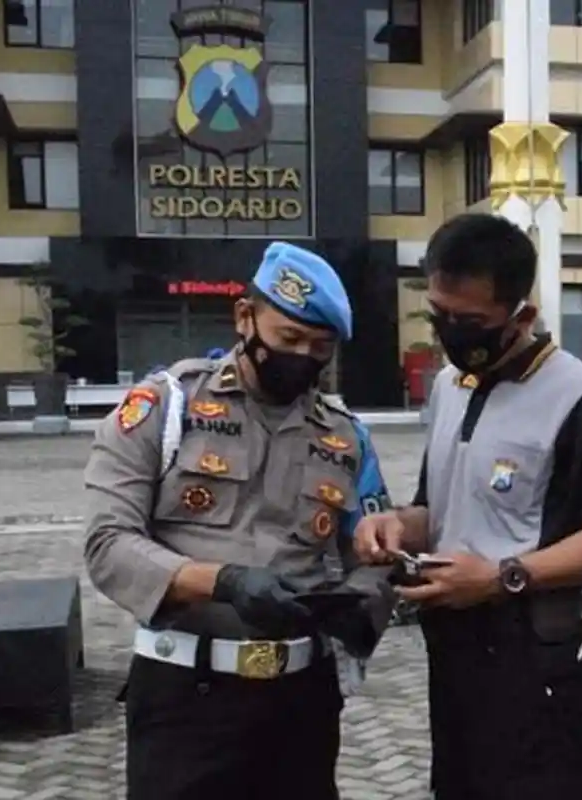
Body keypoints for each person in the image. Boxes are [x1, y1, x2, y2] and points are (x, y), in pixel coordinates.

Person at [353, 213, 582, 800]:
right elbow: (435, 508)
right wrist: (396, 525)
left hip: (532, 659)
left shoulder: (578, 399)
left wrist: (501, 577)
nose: (451, 334)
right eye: (438, 315)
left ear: (523, 316)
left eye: (470, 322)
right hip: (454, 651)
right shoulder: (449, 386)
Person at [83, 242, 396, 800]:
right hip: (186, 697)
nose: (302, 357)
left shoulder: (348, 437)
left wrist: (358, 606)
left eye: (319, 347)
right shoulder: (164, 408)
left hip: (302, 702)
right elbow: (109, 544)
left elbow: (373, 552)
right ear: (244, 317)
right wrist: (222, 581)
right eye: (289, 339)